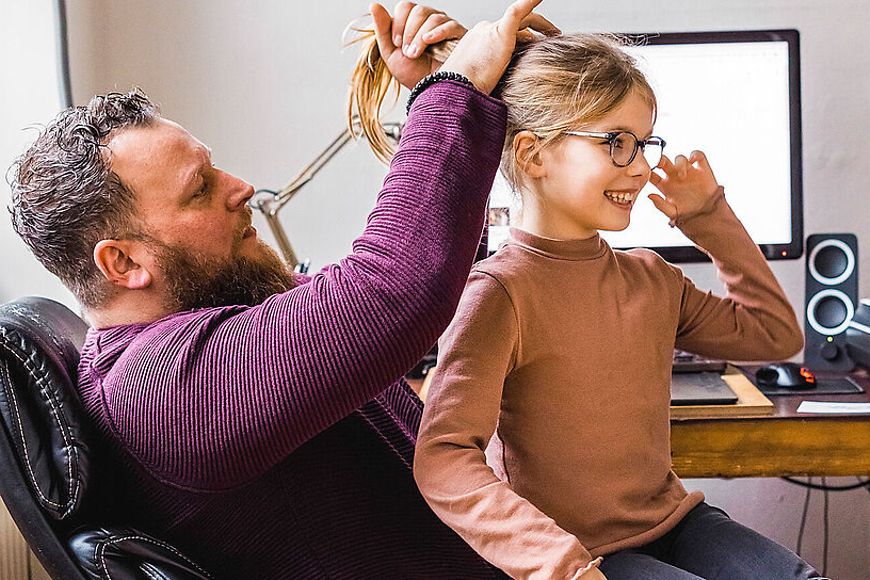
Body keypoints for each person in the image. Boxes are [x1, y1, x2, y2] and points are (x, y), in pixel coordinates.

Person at [8, 2, 559, 578]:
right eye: (199, 190)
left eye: (214, 168)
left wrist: (440, 95)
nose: (241, 187)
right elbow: (390, 290)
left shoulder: (225, 317)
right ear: (124, 261)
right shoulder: (159, 388)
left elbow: (392, 284)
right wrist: (456, 88)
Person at [395, 34, 822, 579]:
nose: (641, 167)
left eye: (645, 143)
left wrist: (709, 216)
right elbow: (444, 458)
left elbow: (773, 336)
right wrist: (559, 565)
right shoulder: (499, 294)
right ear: (532, 154)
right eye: (616, 142)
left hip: (676, 523)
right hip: (578, 553)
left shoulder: (650, 278)